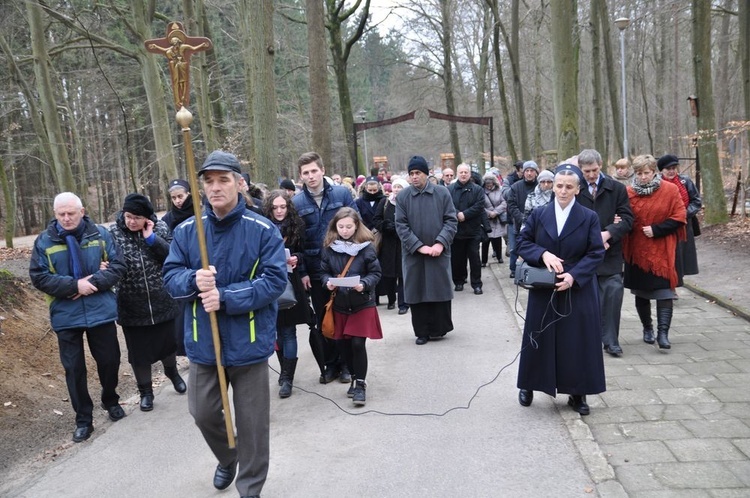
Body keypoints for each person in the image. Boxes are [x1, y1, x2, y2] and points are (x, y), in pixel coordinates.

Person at [163, 150, 287, 497]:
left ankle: (249, 487)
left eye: (223, 180)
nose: (215, 188)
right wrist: (193, 280)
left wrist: (226, 297)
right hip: (204, 342)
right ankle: (227, 456)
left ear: (239, 183)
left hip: (248, 342)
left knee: (252, 425)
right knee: (202, 412)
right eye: (208, 181)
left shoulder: (262, 229)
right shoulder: (188, 230)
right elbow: (170, 276)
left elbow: (275, 281)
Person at [29, 192, 126, 442]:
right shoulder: (44, 241)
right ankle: (84, 419)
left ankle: (110, 399)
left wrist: (91, 282)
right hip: (65, 315)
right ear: (55, 215)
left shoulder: (101, 235)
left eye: (71, 213)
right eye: (61, 214)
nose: (66, 218)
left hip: (100, 310)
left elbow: (118, 266)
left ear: (82, 212)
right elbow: (39, 277)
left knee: (110, 360)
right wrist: (74, 286)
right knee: (74, 370)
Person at [516, 170, 606, 416]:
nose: (563, 191)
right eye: (559, 186)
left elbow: (596, 252)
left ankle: (578, 392)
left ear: (578, 189)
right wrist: (543, 254)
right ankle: (529, 384)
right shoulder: (539, 214)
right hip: (544, 286)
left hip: (577, 287)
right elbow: (522, 242)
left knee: (577, 342)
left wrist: (574, 276)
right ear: (552, 187)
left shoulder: (589, 217)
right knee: (538, 336)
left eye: (569, 186)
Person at [109, 194, 185, 411]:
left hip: (162, 298)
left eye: (137, 217)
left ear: (148, 218)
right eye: (128, 216)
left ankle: (173, 372)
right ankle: (146, 391)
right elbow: (107, 261)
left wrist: (151, 239)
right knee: (139, 353)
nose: (132, 221)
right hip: (131, 303)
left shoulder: (160, 228)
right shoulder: (113, 234)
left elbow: (172, 256)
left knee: (167, 345)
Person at [292, 151, 359, 384]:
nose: (311, 176)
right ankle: (330, 365)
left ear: (322, 170)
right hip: (315, 270)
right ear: (300, 177)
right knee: (324, 318)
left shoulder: (341, 194)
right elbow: (295, 242)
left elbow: (357, 227)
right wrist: (301, 272)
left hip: (343, 267)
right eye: (305, 173)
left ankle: (347, 364)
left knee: (345, 316)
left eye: (314, 171)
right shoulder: (297, 203)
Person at [623, 154, 686, 350]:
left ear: (654, 172)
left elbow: (679, 216)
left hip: (663, 249)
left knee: (665, 292)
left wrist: (657, 230)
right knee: (642, 292)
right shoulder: (628, 192)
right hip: (637, 250)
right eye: (640, 173)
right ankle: (647, 329)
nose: (643, 177)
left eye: (647, 173)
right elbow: (624, 216)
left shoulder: (670, 190)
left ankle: (663, 333)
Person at [320, 208, 383, 406]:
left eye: (349, 226)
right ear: (334, 227)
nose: (345, 230)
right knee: (343, 345)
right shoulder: (329, 248)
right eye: (341, 227)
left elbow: (376, 273)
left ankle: (360, 385)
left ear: (356, 226)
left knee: (357, 343)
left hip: (362, 302)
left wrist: (364, 283)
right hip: (340, 303)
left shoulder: (366, 247)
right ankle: (354, 377)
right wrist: (326, 282)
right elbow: (322, 272)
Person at [576, 149, 634, 357]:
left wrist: (608, 234)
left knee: (612, 294)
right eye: (586, 171)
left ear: (601, 164)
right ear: (580, 170)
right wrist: (593, 240)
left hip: (610, 255)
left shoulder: (616, 189)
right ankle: (586, 340)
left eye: (594, 170)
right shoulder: (574, 188)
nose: (591, 175)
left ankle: (611, 340)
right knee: (584, 301)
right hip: (583, 255)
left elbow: (627, 219)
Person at [395, 155, 458, 345]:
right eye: (411, 173)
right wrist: (419, 247)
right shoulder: (403, 196)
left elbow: (451, 220)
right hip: (414, 254)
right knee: (418, 290)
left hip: (439, 251)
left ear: (427, 174)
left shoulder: (442, 193)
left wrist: (440, 243)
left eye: (418, 173)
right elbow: (401, 225)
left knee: (438, 288)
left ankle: (440, 328)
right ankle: (422, 331)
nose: (414, 177)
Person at [262, 190, 312, 398]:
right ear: (269, 208)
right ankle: (284, 372)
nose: (280, 211)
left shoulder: (297, 225)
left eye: (283, 207)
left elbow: (304, 251)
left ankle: (287, 378)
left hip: (290, 282)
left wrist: (296, 259)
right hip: (267, 282)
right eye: (275, 207)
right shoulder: (261, 226)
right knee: (276, 330)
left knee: (289, 330)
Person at [657, 154, 702, 285]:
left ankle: (676, 283)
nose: (671, 171)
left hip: (684, 224)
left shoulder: (685, 181)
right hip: (664, 225)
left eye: (673, 168)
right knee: (666, 255)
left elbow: (696, 201)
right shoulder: (657, 183)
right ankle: (667, 284)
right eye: (667, 168)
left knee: (681, 255)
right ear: (661, 170)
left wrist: (684, 214)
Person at [448, 164, 486, 295]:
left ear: (469, 174)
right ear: (457, 174)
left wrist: (466, 214)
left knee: (475, 258)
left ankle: (476, 284)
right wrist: (458, 214)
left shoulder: (477, 189)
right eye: (461, 172)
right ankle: (459, 281)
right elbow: (447, 205)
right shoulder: (450, 189)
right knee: (457, 259)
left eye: (466, 172)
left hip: (473, 230)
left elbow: (480, 205)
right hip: (456, 230)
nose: (463, 174)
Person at [373, 178, 409, 313]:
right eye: (395, 187)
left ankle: (403, 304)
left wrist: (402, 227)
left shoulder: (409, 202)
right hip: (387, 244)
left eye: (400, 187)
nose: (397, 189)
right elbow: (376, 219)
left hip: (404, 243)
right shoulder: (385, 202)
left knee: (403, 274)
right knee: (388, 275)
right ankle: (391, 299)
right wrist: (385, 226)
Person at [506, 160, 539, 279]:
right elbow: (511, 204)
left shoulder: (540, 186)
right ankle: (514, 269)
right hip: (518, 223)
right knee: (515, 248)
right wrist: (521, 218)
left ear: (536, 172)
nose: (529, 173)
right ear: (523, 172)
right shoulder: (515, 187)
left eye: (532, 171)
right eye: (527, 171)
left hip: (537, 224)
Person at [481, 172, 507, 267]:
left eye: (490, 184)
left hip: (497, 219)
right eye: (487, 184)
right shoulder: (481, 192)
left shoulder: (499, 191)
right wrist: (489, 213)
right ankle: (483, 260)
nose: (488, 186)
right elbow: (480, 205)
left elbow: (504, 203)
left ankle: (499, 257)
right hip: (486, 220)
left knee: (497, 239)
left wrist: (495, 212)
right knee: (485, 241)